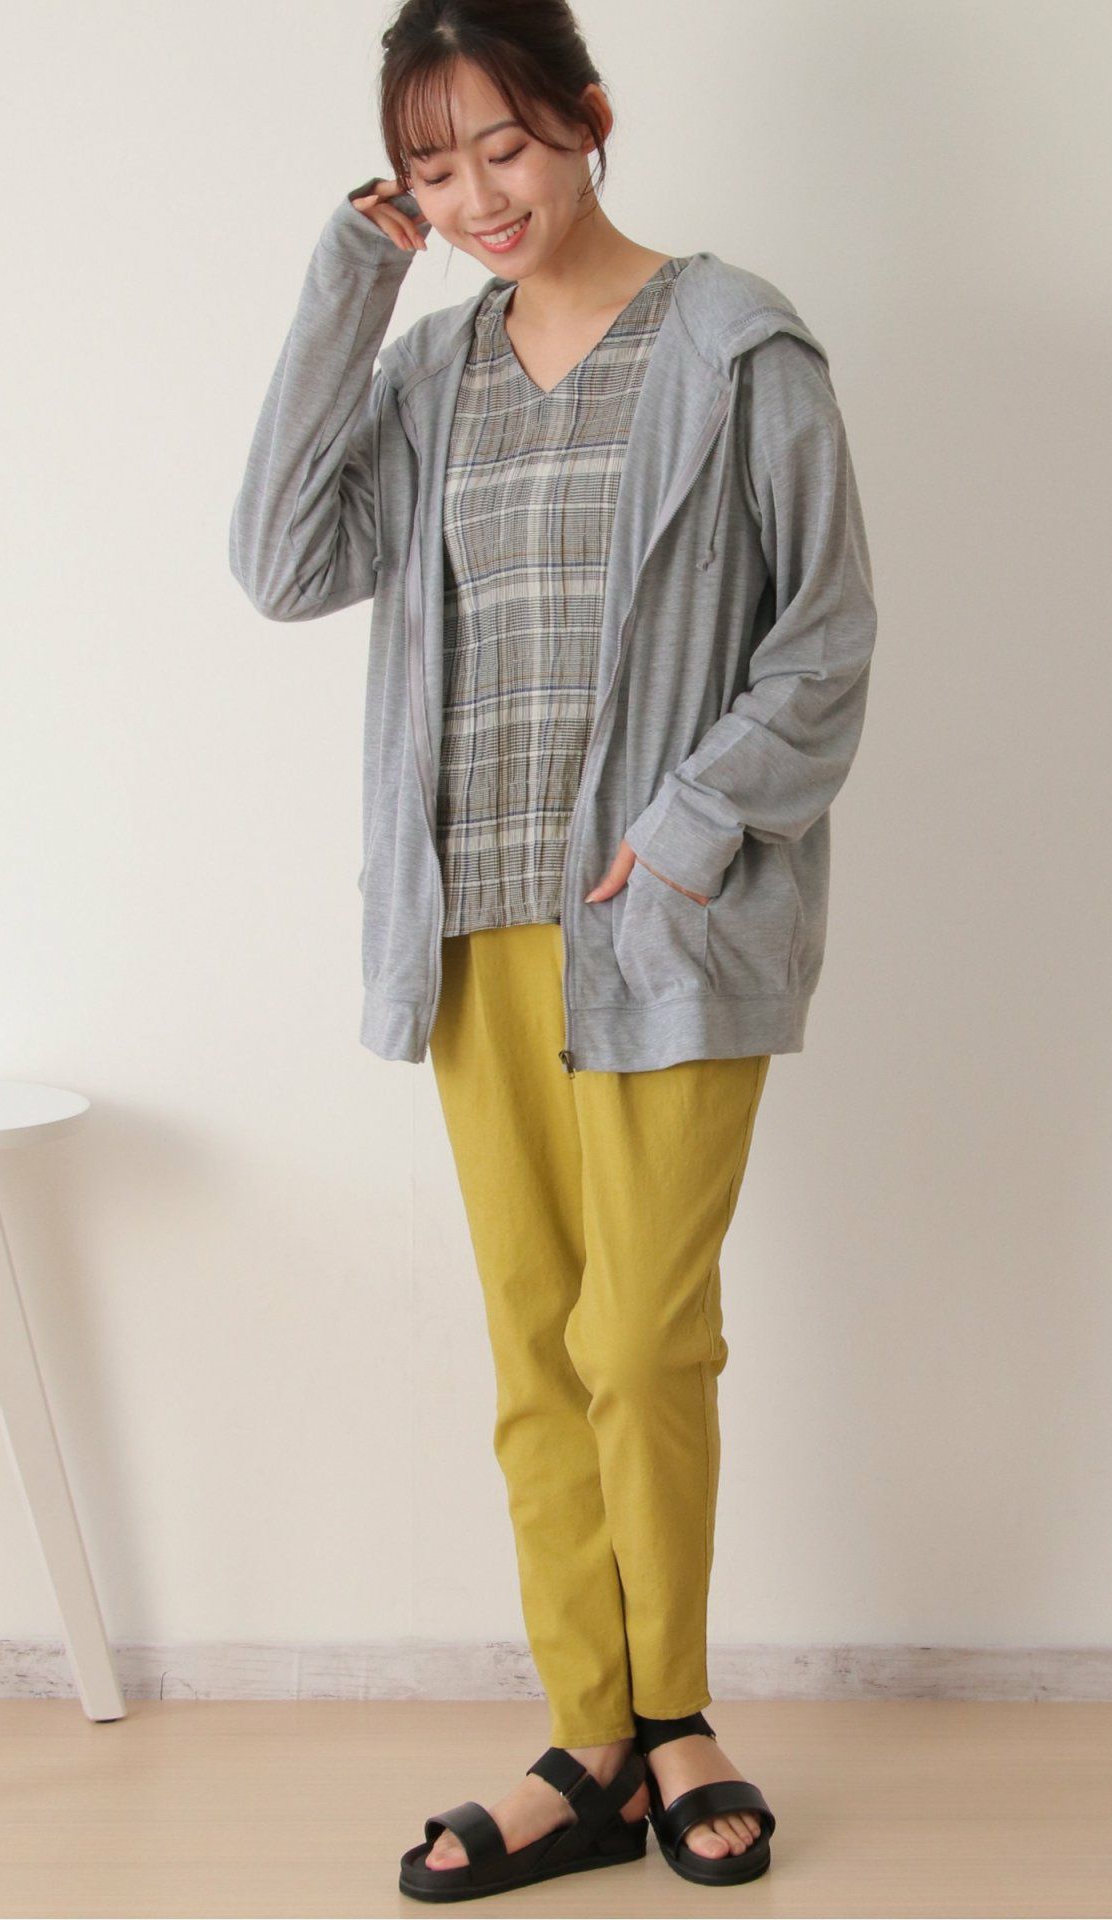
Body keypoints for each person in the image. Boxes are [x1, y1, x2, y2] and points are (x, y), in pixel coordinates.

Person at [229, 0, 877, 1899]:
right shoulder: (429, 372)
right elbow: (280, 559)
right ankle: (589, 1739)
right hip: (469, 924)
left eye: (503, 147)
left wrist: (682, 833)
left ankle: (677, 1719)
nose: (476, 197)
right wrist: (355, 277)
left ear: (590, 117)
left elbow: (825, 642)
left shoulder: (738, 345)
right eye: (431, 169)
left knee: (643, 1336)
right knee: (535, 1342)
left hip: (663, 929)